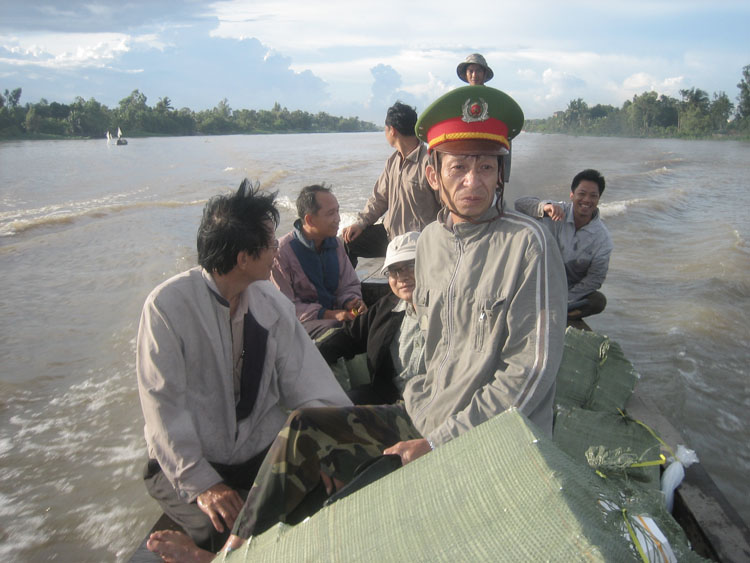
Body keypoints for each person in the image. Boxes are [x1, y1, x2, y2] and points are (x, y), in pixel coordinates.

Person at [145, 87, 566, 563]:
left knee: (357, 513)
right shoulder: (429, 242)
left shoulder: (528, 245)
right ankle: (231, 554)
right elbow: (426, 350)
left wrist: (438, 442)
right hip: (423, 416)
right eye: (459, 167)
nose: (474, 181)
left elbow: (528, 374)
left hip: (484, 440)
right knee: (306, 429)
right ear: (433, 174)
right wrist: (405, 411)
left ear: (502, 172)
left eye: (487, 167)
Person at [137, 179, 351, 556]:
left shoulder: (271, 302)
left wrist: (330, 443)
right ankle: (203, 553)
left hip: (256, 448)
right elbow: (163, 409)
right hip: (190, 460)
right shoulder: (167, 308)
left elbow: (307, 379)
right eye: (270, 244)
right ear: (242, 258)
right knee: (218, 526)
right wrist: (203, 484)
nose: (276, 249)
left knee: (329, 490)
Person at [318, 231, 424, 405]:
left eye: (411, 265)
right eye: (394, 270)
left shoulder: (452, 311)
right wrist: (309, 355)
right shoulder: (387, 306)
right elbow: (350, 336)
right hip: (388, 397)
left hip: (433, 406)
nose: (402, 276)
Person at [341, 101, 441, 267]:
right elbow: (379, 199)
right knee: (347, 242)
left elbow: (446, 205)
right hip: (390, 235)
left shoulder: (429, 161)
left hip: (419, 242)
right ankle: (347, 289)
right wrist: (360, 223)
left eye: (385, 129)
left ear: (392, 130)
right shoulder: (393, 161)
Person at [514, 169, 613, 322]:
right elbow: (519, 204)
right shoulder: (555, 210)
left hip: (567, 292)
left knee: (598, 301)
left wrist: (564, 299)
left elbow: (595, 279)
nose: (587, 200)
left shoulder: (603, 239)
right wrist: (543, 208)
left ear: (599, 199)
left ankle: (560, 315)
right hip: (538, 280)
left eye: (593, 196)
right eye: (582, 194)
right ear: (572, 195)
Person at [270, 184, 366, 339]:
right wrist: (328, 314)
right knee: (336, 329)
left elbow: (349, 284)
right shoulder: (281, 253)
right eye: (331, 213)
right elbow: (286, 306)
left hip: (336, 313)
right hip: (301, 323)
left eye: (338, 211)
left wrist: (351, 301)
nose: (338, 218)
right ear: (310, 219)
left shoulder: (335, 244)